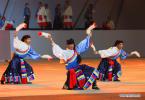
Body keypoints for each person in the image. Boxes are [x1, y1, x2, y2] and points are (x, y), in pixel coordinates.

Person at [39, 23, 100, 90]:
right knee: (79, 79)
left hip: (78, 67)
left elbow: (85, 40)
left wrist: (89, 30)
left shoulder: (77, 49)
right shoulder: (64, 52)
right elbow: (56, 47)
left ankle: (94, 85)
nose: (71, 46)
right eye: (70, 44)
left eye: (72, 44)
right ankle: (69, 85)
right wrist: (50, 39)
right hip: (73, 70)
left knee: (93, 70)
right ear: (67, 45)